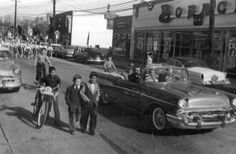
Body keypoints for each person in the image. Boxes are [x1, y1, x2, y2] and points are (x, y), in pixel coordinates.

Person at [80, 71, 100, 136]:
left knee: (93, 118)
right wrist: (86, 99)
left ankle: (92, 130)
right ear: (90, 78)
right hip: (87, 104)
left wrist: (97, 98)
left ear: (96, 79)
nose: (93, 80)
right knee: (84, 117)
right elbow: (81, 93)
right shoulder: (86, 84)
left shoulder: (97, 85)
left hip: (94, 104)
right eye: (92, 78)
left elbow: (98, 93)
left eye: (95, 78)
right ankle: (83, 128)